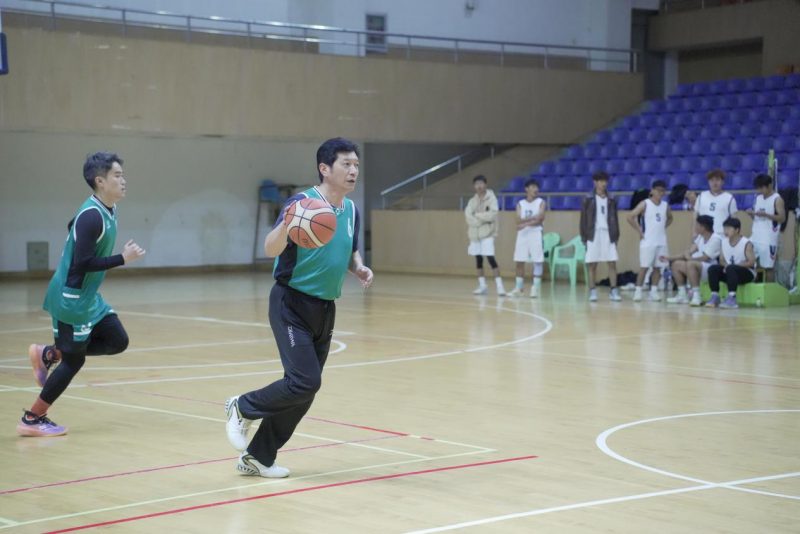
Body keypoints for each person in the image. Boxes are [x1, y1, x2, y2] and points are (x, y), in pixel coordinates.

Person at [225, 138, 373, 479]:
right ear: (325, 168)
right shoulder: (302, 204)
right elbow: (270, 247)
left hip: (325, 307)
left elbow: (349, 250)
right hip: (291, 302)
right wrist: (287, 225)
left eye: (356, 164)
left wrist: (358, 267)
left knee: (305, 390)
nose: (353, 170)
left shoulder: (351, 209)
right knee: (305, 381)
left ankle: (258, 457)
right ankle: (242, 406)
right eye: (346, 164)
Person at [17, 152, 146, 437]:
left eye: (123, 175)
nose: (123, 180)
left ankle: (49, 353)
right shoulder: (92, 216)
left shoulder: (106, 209)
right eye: (117, 176)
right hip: (71, 298)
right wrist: (122, 258)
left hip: (88, 297)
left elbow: (73, 228)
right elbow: (82, 262)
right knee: (74, 361)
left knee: (117, 340)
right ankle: (32, 418)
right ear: (100, 181)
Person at [627, 180, 673, 302]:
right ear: (652, 190)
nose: (660, 193)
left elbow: (670, 218)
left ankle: (654, 291)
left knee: (658, 267)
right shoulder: (645, 203)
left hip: (661, 241)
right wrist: (639, 230)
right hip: (648, 241)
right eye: (658, 190)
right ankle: (638, 291)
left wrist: (663, 227)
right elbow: (630, 216)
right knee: (644, 267)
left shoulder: (665, 205)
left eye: (662, 191)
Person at [580, 172, 622, 302]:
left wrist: (616, 235)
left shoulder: (612, 198)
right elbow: (583, 219)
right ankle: (592, 291)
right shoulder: (588, 198)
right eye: (601, 181)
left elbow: (615, 218)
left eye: (605, 181)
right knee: (592, 264)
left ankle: (613, 290)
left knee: (612, 262)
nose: (604, 183)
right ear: (595, 182)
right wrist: (584, 237)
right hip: (593, 234)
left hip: (608, 233)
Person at [663, 215, 721, 306]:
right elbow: (688, 252)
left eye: (697, 225)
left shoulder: (716, 238)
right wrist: (669, 258)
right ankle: (682, 295)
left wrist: (690, 258)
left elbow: (705, 258)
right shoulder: (700, 237)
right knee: (676, 264)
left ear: (703, 227)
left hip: (711, 269)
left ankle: (697, 296)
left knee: (691, 264)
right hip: (697, 267)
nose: (695, 227)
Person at [465, 175, 506, 295]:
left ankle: (500, 287)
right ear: (474, 186)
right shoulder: (472, 201)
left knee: (490, 258)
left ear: (485, 184)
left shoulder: (492, 199)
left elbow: (492, 215)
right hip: (475, 234)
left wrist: (477, 215)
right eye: (476, 184)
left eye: (481, 183)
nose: (479, 186)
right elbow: (468, 216)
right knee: (478, 259)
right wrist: (481, 219)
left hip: (488, 234)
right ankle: (482, 286)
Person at [706, 217, 756, 309]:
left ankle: (732, 298)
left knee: (731, 268)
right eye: (725, 228)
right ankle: (715, 296)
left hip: (747, 273)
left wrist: (733, 266)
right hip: (730, 272)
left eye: (728, 228)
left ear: (737, 230)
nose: (726, 231)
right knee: (713, 269)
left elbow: (751, 262)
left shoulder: (746, 243)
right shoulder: (724, 242)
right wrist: (727, 266)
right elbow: (721, 260)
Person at [509, 178, 546, 298]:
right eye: (533, 187)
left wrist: (524, 224)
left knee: (538, 261)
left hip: (536, 233)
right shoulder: (520, 203)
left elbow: (540, 218)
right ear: (526, 189)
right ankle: (519, 288)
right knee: (519, 260)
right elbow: (517, 220)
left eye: (537, 187)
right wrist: (532, 218)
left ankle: (535, 288)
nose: (536, 189)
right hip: (523, 235)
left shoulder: (541, 202)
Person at [746, 173, 786, 281]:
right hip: (755, 236)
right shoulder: (758, 198)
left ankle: (769, 289)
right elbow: (757, 218)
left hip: (768, 239)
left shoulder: (777, 199)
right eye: (758, 188)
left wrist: (766, 215)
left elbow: (782, 218)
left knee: (768, 267)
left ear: (769, 185)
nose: (759, 190)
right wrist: (751, 214)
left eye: (762, 188)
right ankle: (755, 286)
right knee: (750, 262)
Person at [694, 169, 737, 236]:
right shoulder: (701, 196)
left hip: (721, 234)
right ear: (708, 182)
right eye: (712, 180)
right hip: (703, 235)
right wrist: (694, 233)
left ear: (722, 182)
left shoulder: (729, 198)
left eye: (717, 180)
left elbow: (734, 219)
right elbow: (695, 216)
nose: (715, 183)